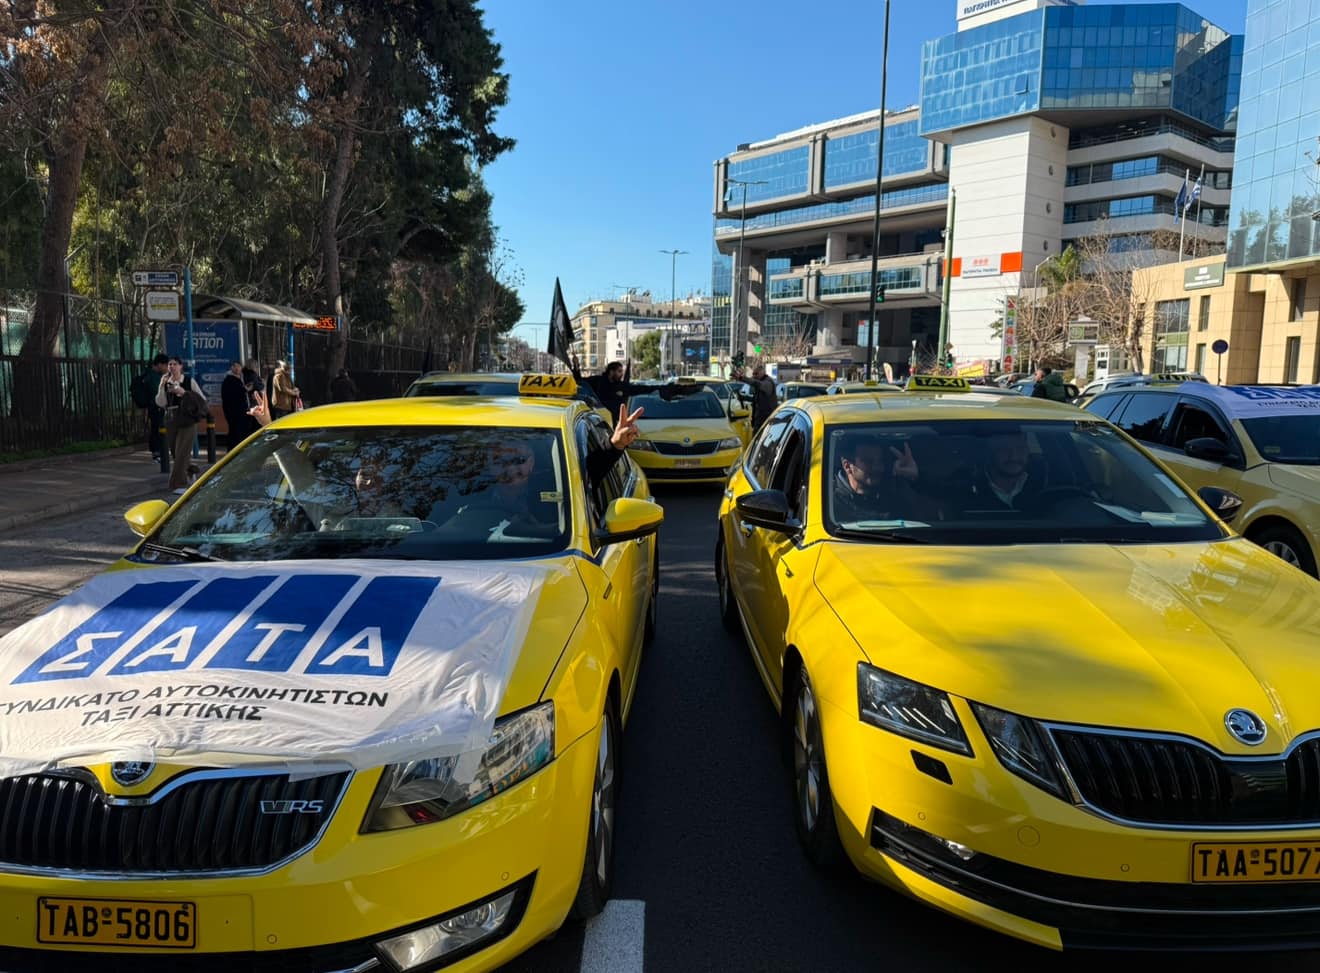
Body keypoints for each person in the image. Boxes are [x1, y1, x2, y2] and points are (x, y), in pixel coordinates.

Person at [830, 431, 923, 524]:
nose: (877, 467)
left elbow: (923, 521)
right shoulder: (829, 502)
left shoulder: (892, 495)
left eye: (880, 461)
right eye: (868, 461)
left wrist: (915, 479)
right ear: (847, 466)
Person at [155, 357, 208, 494]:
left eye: (175, 364)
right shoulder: (166, 382)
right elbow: (160, 403)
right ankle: (191, 470)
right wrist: (161, 386)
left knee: (182, 451)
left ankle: (178, 484)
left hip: (187, 419)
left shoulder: (189, 381)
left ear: (180, 366)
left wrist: (183, 393)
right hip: (171, 419)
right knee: (175, 451)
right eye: (170, 364)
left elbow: (201, 399)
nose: (172, 367)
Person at [964, 429, 1045, 512]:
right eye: (1004, 449)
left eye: (1020, 448)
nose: (1014, 457)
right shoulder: (966, 490)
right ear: (990, 451)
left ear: (1028, 451)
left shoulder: (1044, 484)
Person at [570, 356, 649, 424]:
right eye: (619, 371)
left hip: (614, 423)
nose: (621, 374)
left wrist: (655, 389)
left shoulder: (621, 386)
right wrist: (576, 365)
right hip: (598, 421)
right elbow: (580, 381)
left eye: (622, 372)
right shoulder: (598, 381)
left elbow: (639, 389)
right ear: (611, 371)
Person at [131, 353, 170, 460]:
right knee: (157, 428)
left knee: (156, 428)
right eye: (166, 365)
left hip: (154, 406)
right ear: (160, 364)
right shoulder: (153, 377)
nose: (167, 368)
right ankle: (157, 451)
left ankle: (157, 451)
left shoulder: (148, 374)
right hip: (156, 406)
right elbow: (157, 392)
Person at [220, 361, 251, 449]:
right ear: (231, 368)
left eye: (239, 366)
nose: (237, 368)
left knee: (239, 432)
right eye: (235, 366)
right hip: (234, 412)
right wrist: (244, 390)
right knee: (236, 433)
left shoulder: (239, 379)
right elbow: (232, 395)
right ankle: (234, 450)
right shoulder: (229, 380)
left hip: (240, 411)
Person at [747, 365, 778, 431]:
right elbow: (756, 402)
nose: (754, 376)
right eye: (753, 374)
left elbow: (758, 384)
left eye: (756, 374)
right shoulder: (758, 384)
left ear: (762, 373)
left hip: (767, 421)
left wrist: (742, 378)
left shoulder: (768, 382)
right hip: (758, 421)